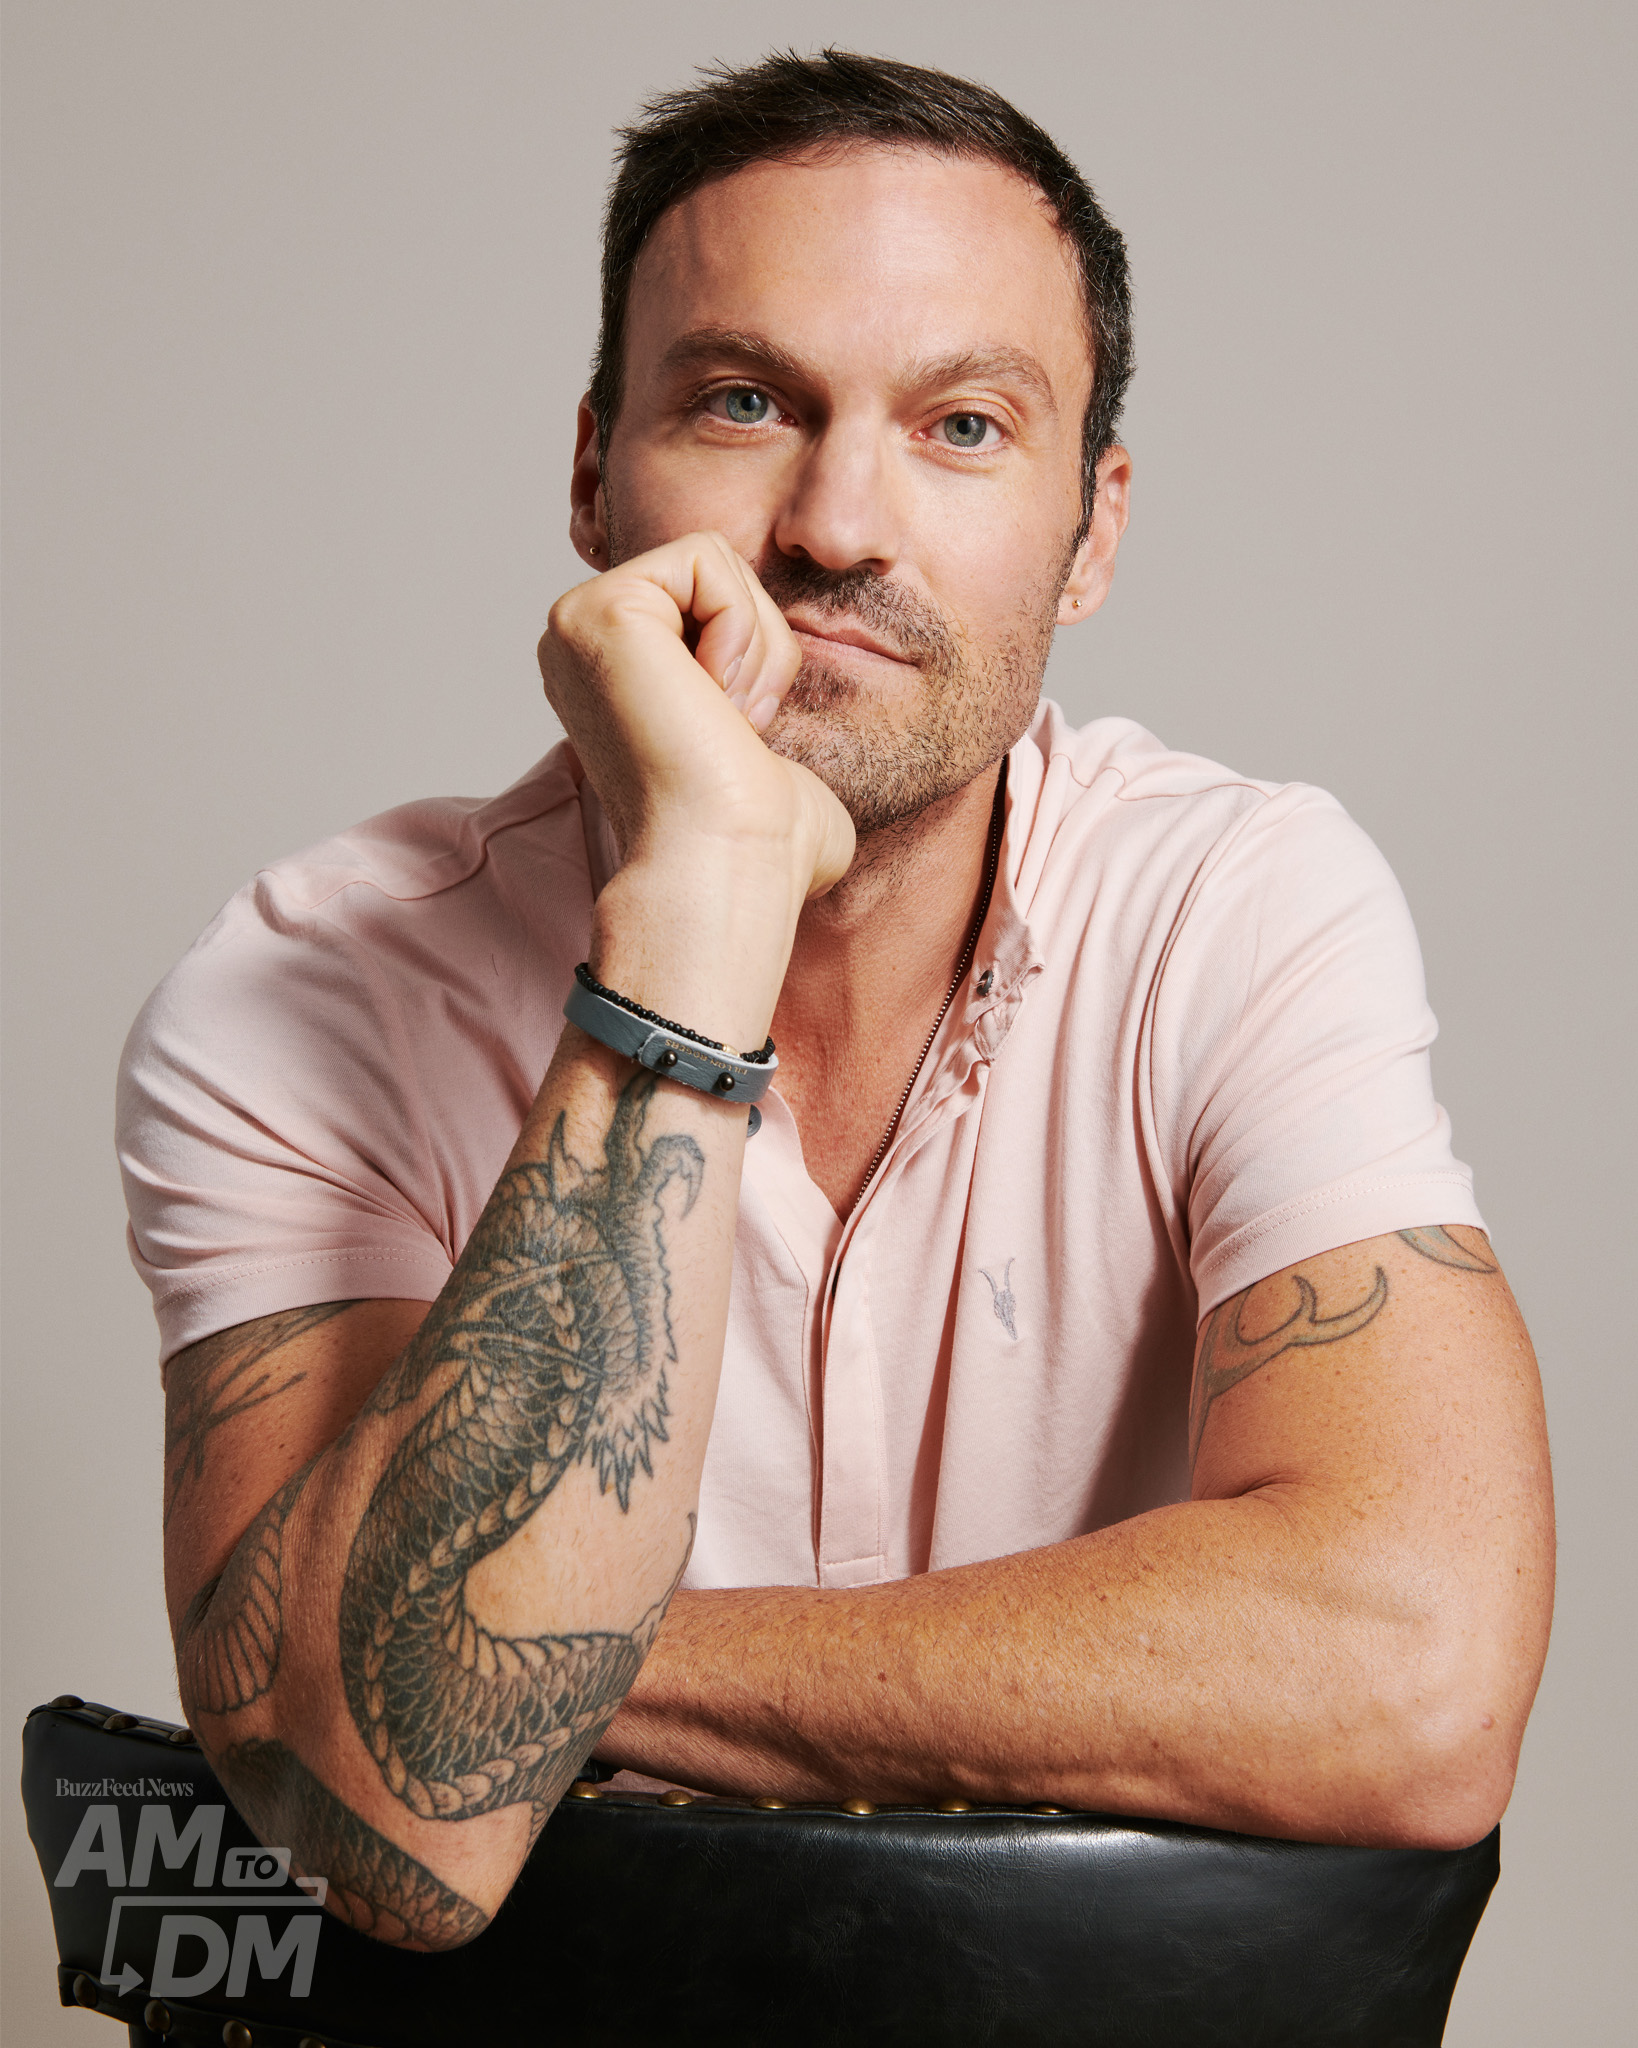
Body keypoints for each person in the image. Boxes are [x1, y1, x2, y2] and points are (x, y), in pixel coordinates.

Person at [118, 50, 1554, 1951]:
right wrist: (700, 906)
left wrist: (517, 1654)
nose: (837, 527)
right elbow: (394, 1836)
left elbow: (1416, 1682)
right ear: (591, 475)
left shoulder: (1233, 908)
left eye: (962, 425)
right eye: (741, 401)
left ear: (1092, 529)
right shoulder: (307, 995)